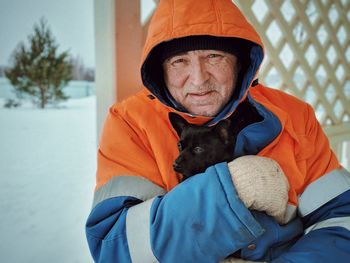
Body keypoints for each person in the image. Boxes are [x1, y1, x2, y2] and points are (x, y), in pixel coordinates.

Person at [85, 0, 350, 262]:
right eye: (179, 61)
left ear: (240, 63)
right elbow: (115, 246)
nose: (199, 79)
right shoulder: (130, 123)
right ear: (160, 70)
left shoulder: (295, 115)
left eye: (214, 56)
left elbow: (342, 219)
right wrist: (232, 189)